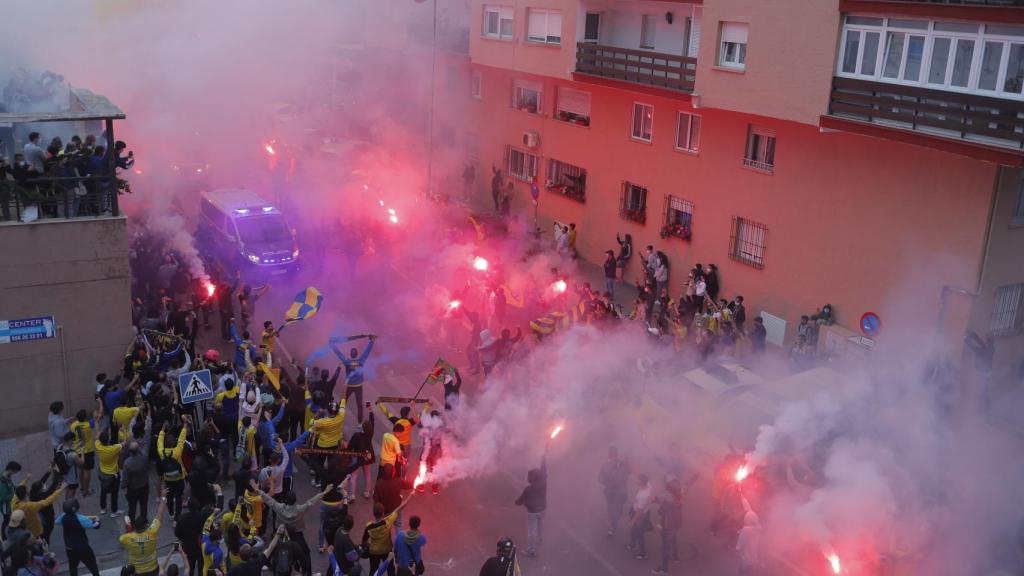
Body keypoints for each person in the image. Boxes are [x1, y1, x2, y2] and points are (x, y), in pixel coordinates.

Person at [251, 481, 336, 576]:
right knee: (306, 553)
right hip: (297, 535)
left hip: (282, 533)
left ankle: (267, 564)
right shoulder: (300, 509)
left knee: (272, 549)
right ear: (295, 500)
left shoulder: (279, 508)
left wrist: (257, 490)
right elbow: (312, 501)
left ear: (285, 500)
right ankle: (308, 573)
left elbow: (268, 499)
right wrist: (325, 492)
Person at [362, 495, 416, 576]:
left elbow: (364, 540)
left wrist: (369, 546)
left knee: (373, 570)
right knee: (391, 570)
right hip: (387, 550)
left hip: (374, 552)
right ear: (383, 513)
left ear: (374, 514)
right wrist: (410, 496)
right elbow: (400, 508)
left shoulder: (368, 526)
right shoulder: (388, 521)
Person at [119, 488, 168, 576]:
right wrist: (163, 498)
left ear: (134, 527)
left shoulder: (127, 538)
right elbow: (159, 515)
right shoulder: (152, 532)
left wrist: (128, 529)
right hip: (153, 569)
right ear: (146, 526)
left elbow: (122, 539)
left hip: (138, 572)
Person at [56, 499, 101, 576]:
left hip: (70, 548)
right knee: (92, 564)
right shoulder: (82, 519)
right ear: (75, 508)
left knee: (72, 566)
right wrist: (98, 520)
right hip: (83, 547)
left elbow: (56, 521)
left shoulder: (63, 517)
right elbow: (96, 525)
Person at [337, 335, 377, 423]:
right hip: (358, 386)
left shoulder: (347, 361)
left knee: (342, 402)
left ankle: (336, 417)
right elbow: (367, 351)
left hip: (349, 385)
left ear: (350, 354)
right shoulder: (361, 360)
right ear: (357, 354)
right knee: (359, 405)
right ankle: (359, 424)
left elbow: (339, 354)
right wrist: (372, 341)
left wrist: (332, 345)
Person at [157, 416, 191, 519]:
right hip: (179, 478)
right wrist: (185, 424)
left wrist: (162, 429)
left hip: (168, 478)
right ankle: (177, 516)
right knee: (179, 497)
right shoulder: (177, 451)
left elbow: (159, 441)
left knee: (170, 496)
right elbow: (182, 438)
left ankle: (171, 514)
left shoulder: (161, 452)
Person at [514, 455, 546, 557]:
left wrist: (516, 502)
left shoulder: (528, 489)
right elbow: (544, 471)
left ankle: (531, 549)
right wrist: (543, 458)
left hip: (532, 512)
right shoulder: (544, 483)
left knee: (532, 531)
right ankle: (540, 538)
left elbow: (519, 501)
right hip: (542, 509)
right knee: (540, 524)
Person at [95, 424, 128, 516]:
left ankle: (103, 508)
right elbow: (125, 442)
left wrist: (98, 424)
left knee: (103, 491)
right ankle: (114, 511)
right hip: (113, 474)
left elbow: (97, 435)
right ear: (108, 440)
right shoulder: (114, 448)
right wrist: (125, 430)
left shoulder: (98, 445)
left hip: (102, 472)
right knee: (114, 493)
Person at [651, 480, 683, 574]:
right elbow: (687, 484)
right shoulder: (680, 495)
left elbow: (656, 501)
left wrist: (652, 497)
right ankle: (675, 557)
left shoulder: (667, 499)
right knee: (673, 539)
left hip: (667, 526)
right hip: (677, 523)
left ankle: (664, 569)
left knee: (665, 548)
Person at [598, 446, 630, 537]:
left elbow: (600, 479)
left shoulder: (605, 465)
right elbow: (629, 473)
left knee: (611, 509)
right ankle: (613, 524)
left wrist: (608, 483)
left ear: (609, 454)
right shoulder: (624, 463)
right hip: (622, 493)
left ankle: (612, 526)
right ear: (617, 454)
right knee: (618, 509)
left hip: (611, 492)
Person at [346, 414, 375, 499]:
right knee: (367, 475)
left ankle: (352, 495)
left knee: (354, 476)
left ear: (362, 427)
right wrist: (371, 413)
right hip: (367, 457)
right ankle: (367, 492)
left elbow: (350, 446)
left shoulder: (356, 435)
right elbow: (372, 423)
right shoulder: (370, 434)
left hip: (357, 457)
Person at [70, 409, 97, 497]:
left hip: (77, 450)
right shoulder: (89, 425)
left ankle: (82, 487)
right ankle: (86, 490)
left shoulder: (73, 425)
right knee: (87, 471)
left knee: (81, 469)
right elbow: (96, 420)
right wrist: (94, 415)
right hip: (87, 451)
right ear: (85, 418)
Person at [626, 474, 653, 560]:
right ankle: (633, 545)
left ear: (641, 482)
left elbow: (639, 512)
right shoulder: (649, 486)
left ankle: (643, 554)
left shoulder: (642, 496)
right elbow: (639, 473)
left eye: (637, 480)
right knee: (634, 531)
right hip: (645, 511)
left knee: (639, 534)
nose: (635, 481)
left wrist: (632, 522)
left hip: (640, 515)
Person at [0, 461, 24, 538]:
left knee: (9, 519)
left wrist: (16, 488)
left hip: (10, 505)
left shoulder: (7, 475)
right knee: (6, 521)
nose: (15, 474)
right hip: (5, 507)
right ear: (11, 469)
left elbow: (11, 486)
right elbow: (3, 498)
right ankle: (4, 538)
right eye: (15, 472)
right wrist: (15, 495)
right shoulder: (2, 482)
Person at [735, 503, 761, 576]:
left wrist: (737, 549)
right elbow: (748, 509)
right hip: (753, 559)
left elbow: (740, 544)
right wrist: (741, 495)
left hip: (745, 558)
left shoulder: (746, 531)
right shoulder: (758, 528)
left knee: (740, 573)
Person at [201, 508, 227, 575]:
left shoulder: (205, 539)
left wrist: (213, 514)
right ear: (216, 540)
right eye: (220, 537)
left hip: (205, 571)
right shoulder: (218, 553)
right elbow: (219, 568)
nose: (221, 538)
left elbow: (206, 524)